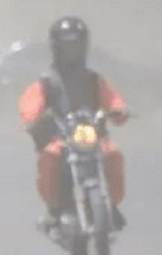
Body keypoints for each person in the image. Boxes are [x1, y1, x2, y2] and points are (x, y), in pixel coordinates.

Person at [18, 16, 129, 230]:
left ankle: (111, 206)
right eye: (68, 46)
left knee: (113, 154)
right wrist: (33, 118)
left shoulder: (94, 79)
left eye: (77, 45)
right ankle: (54, 207)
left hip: (94, 137)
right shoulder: (46, 81)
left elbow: (113, 100)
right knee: (50, 156)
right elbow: (31, 104)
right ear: (57, 48)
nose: (73, 51)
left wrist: (118, 111)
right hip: (61, 138)